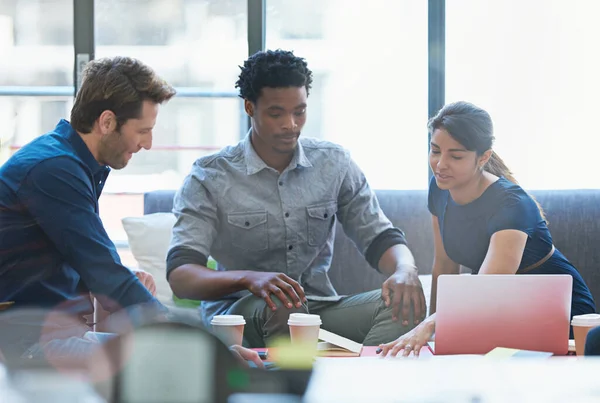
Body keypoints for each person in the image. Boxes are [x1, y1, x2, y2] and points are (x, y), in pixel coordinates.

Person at [0, 56, 261, 368]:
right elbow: (104, 272)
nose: (148, 144)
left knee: (179, 359)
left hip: (55, 335)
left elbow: (86, 266)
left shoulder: (73, 163)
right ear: (107, 122)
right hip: (24, 343)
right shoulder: (54, 169)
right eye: (143, 131)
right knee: (171, 365)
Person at [167, 49, 426, 348]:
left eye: (299, 111)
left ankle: (360, 383)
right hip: (242, 312)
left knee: (406, 305)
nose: (290, 124)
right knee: (284, 306)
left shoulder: (334, 163)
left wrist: (406, 269)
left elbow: (379, 237)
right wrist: (249, 279)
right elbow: (181, 277)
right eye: (276, 113)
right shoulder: (209, 176)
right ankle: (292, 386)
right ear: (250, 107)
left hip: (317, 308)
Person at [379, 101, 596, 357]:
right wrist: (434, 340)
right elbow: (445, 267)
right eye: (435, 150)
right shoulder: (439, 189)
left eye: (456, 156)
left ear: (483, 157)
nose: (440, 164)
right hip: (498, 310)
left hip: (555, 315)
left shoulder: (511, 204)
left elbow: (485, 287)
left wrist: (429, 325)